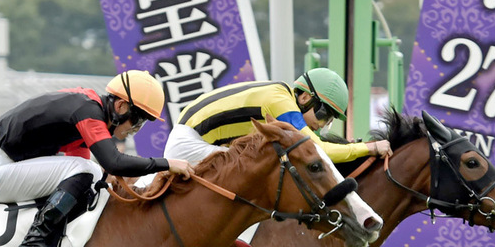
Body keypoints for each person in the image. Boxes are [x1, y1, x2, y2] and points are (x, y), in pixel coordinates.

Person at [0, 69, 194, 247]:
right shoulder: (88, 111)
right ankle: (35, 240)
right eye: (137, 120)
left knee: (90, 172)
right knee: (90, 170)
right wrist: (167, 164)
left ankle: (50, 236)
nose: (136, 128)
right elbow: (112, 162)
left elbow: (89, 167)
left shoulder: (87, 107)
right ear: (121, 106)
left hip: (1, 164)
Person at [164, 67, 392, 167]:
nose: (322, 125)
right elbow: (319, 151)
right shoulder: (281, 104)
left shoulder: (280, 95)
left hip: (194, 136)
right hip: (188, 144)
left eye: (329, 120)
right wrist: (370, 148)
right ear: (304, 98)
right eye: (323, 114)